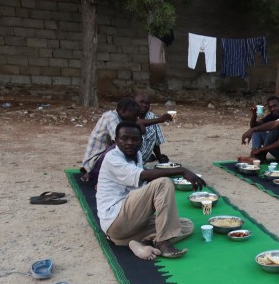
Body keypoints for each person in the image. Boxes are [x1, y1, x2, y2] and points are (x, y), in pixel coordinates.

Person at [96, 121, 206, 260]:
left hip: (130, 224)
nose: (130, 142)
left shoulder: (137, 156)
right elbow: (142, 175)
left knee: (186, 225)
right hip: (116, 221)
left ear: (141, 141)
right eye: (124, 138)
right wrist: (181, 170)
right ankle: (162, 243)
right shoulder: (112, 157)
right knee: (163, 183)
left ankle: (138, 243)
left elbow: (144, 177)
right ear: (116, 140)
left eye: (135, 139)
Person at [80, 97, 140, 183]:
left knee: (129, 144)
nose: (136, 119)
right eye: (134, 115)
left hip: (102, 158)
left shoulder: (119, 118)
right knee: (122, 146)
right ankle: (93, 174)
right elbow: (118, 142)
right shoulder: (111, 117)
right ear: (123, 111)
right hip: (94, 161)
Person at [238, 96, 279, 163]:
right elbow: (254, 126)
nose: (273, 109)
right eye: (270, 107)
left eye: (275, 106)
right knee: (257, 131)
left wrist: (261, 150)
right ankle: (255, 156)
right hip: (275, 147)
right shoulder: (271, 116)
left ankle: (258, 156)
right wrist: (254, 115)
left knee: (273, 129)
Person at [135, 93, 172, 164]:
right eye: (141, 102)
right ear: (134, 103)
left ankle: (148, 157)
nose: (144, 105)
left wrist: (159, 157)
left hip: (143, 160)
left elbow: (156, 141)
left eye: (147, 103)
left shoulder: (151, 116)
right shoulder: (129, 115)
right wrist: (159, 119)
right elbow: (137, 122)